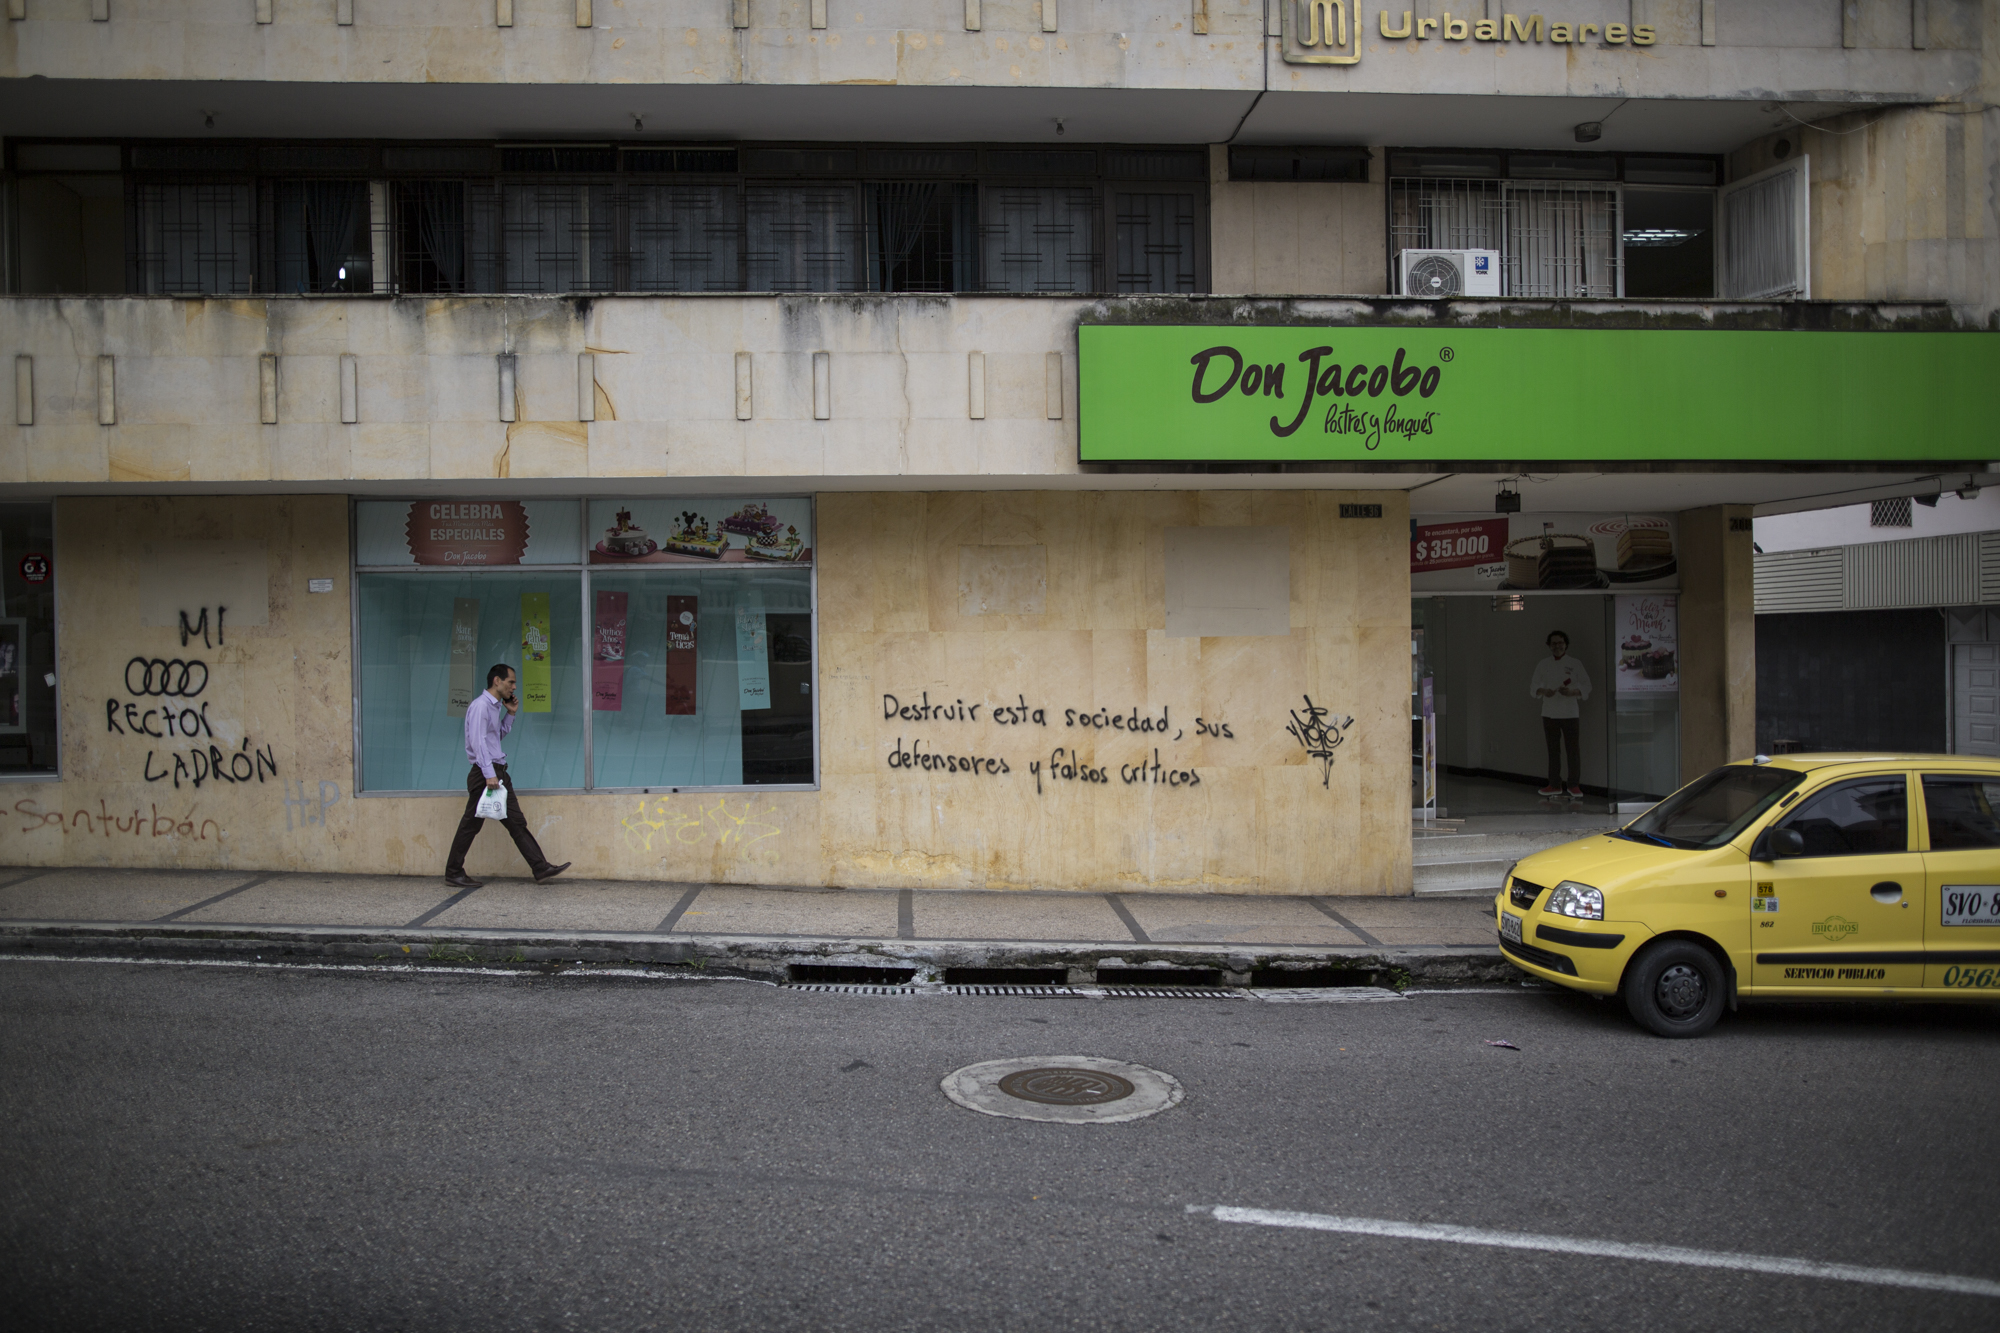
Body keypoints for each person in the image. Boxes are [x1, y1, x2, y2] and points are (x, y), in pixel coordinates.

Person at [444, 663, 570, 889]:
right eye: (511, 682)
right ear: (497, 681)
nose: (514, 687)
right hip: (486, 774)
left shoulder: (494, 707)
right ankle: (453, 871)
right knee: (470, 825)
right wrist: (489, 774)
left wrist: (510, 714)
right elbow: (478, 742)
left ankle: (540, 867)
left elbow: (494, 738)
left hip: (497, 772)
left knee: (516, 823)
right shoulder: (480, 706)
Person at [1530, 630, 1591, 799]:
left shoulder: (1575, 663)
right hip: (1549, 713)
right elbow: (1533, 687)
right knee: (1553, 751)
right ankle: (1554, 784)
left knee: (1573, 750)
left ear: (1566, 644)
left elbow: (1587, 686)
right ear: (1549, 646)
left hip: (1570, 713)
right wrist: (1544, 691)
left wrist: (1572, 692)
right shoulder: (1543, 664)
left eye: (1560, 643)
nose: (1557, 646)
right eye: (1554, 643)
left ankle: (1573, 785)